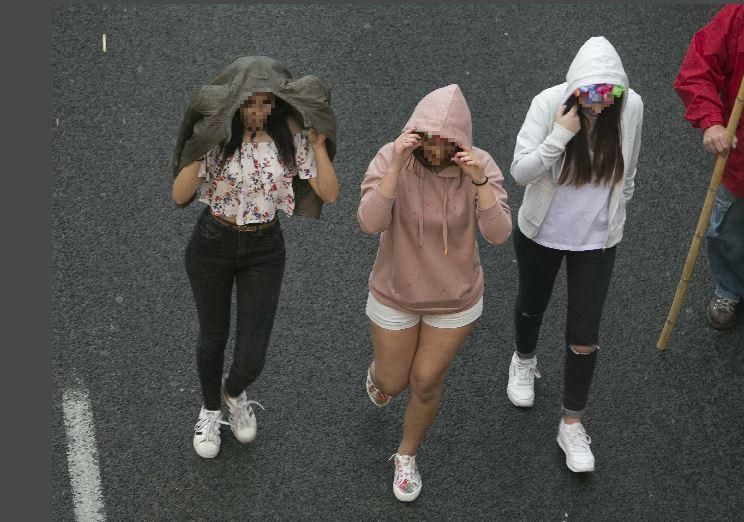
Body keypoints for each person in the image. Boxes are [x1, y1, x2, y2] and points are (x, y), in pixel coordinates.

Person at [171, 56, 339, 458]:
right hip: (213, 242)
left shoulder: (291, 137)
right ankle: (210, 410)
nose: (259, 111)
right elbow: (180, 196)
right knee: (213, 337)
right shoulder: (218, 135)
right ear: (235, 103)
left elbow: (330, 194)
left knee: (252, 354)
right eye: (251, 103)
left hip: (265, 247)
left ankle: (234, 392)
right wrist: (198, 149)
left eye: (267, 103)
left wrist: (317, 147)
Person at [357, 84, 512, 501]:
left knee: (425, 381)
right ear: (415, 134)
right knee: (393, 380)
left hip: (455, 299)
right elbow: (369, 223)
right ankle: (379, 374)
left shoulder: (481, 167)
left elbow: (498, 235)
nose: (436, 150)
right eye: (427, 139)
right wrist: (394, 169)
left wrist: (478, 180)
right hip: (395, 292)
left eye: (446, 142)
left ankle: (406, 456)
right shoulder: (393, 157)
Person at [508, 37, 644, 472]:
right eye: (591, 94)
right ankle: (524, 360)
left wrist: (618, 214)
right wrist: (559, 136)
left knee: (585, 335)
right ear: (574, 88)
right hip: (541, 232)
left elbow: (631, 167)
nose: (601, 104)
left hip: (597, 241)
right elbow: (520, 172)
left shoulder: (632, 107)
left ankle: (571, 424)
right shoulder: (549, 104)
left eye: (611, 94)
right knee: (532, 305)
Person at [673, 4, 744, 331]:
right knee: (726, 230)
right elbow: (697, 69)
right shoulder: (737, 19)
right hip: (740, 161)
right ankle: (729, 287)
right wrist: (712, 123)